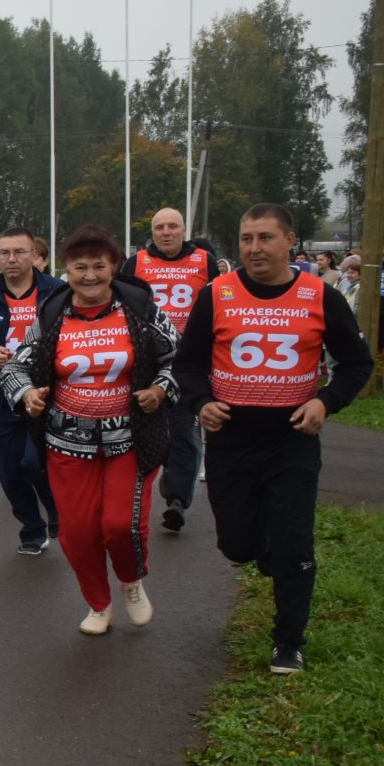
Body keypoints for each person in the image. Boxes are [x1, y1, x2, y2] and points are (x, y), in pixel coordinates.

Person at [173, 204, 373, 674]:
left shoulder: (320, 296)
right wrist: (201, 401)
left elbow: (357, 363)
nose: (254, 248)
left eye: (265, 238)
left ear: (290, 241)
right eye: (246, 239)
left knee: (293, 543)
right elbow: (187, 363)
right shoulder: (216, 294)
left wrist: (326, 401)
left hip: (292, 441)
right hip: (231, 440)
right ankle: (268, 550)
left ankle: (289, 641)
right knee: (237, 545)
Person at [1, 225, 178, 636]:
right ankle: (98, 603)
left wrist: (160, 389)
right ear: (67, 270)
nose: (91, 276)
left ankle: (131, 581)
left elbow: (178, 360)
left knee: (121, 525)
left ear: (115, 267)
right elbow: (15, 367)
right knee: (77, 533)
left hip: (131, 441)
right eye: (80, 267)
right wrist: (28, 395)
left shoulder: (142, 310)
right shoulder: (50, 316)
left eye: (99, 266)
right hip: (66, 444)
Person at [0, 225, 66, 554]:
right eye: (4, 253)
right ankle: (32, 529)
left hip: (50, 395)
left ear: (35, 255)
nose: (11, 259)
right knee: (9, 470)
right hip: (4, 397)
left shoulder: (57, 293)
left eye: (19, 252)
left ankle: (57, 511)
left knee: (34, 463)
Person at [119, 207, 222, 534]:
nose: (166, 232)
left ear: (183, 230)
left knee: (184, 429)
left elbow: (220, 303)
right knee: (143, 425)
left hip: (188, 359)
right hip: (147, 359)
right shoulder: (136, 264)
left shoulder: (203, 261)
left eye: (172, 227)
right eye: (160, 227)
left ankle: (177, 499)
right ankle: (140, 489)